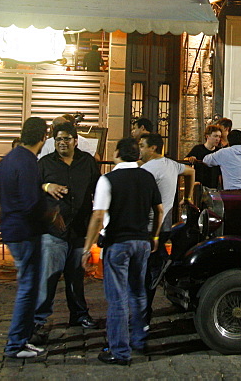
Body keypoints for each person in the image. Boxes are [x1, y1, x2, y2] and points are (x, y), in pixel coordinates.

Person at [82, 144, 163, 366]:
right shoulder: (147, 177)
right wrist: (154, 236)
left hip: (118, 243)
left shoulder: (107, 180)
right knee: (138, 293)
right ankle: (139, 339)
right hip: (142, 242)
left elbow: (98, 216)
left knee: (117, 298)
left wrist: (87, 246)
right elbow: (159, 210)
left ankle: (119, 350)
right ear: (136, 156)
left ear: (116, 154)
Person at [32, 121, 101, 344]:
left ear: (75, 140)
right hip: (54, 229)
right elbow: (31, 186)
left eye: (66, 139)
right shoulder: (45, 163)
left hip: (79, 227)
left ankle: (79, 315)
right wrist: (46, 187)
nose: (62, 143)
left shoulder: (87, 162)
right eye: (58, 139)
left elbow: (97, 189)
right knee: (49, 277)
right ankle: (38, 320)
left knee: (75, 276)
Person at [0, 117, 49, 359]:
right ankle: (16, 343)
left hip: (12, 228)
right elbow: (30, 202)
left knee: (27, 285)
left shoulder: (9, 158)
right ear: (43, 139)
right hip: (25, 231)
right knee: (28, 288)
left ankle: (21, 340)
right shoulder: (28, 162)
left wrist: (6, 207)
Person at [138, 133, 193, 324]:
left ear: (153, 148)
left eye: (142, 145)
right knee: (153, 263)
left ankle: (143, 312)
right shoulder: (171, 164)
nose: (140, 149)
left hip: (150, 227)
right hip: (166, 225)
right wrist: (188, 197)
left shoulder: (147, 169)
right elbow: (190, 171)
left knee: (145, 271)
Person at [182, 124, 223, 189]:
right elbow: (185, 160)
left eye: (219, 137)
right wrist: (191, 158)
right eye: (215, 136)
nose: (218, 139)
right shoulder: (198, 149)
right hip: (199, 185)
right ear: (207, 136)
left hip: (214, 186)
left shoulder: (219, 151)